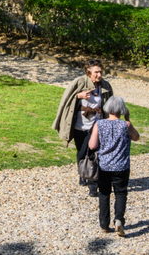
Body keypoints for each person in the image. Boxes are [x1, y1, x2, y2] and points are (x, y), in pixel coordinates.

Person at [53, 59, 114, 192]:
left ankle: (92, 183)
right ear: (88, 72)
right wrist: (78, 96)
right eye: (96, 72)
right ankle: (83, 173)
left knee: (92, 151)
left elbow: (110, 105)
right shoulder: (79, 82)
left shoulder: (105, 86)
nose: (99, 74)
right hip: (80, 125)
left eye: (101, 71)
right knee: (81, 152)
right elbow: (66, 100)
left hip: (96, 125)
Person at [88, 96, 140, 237]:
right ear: (122, 110)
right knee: (121, 193)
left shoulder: (99, 124)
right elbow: (136, 137)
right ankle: (119, 221)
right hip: (121, 166)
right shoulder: (125, 125)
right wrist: (128, 119)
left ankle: (104, 225)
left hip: (104, 166)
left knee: (104, 193)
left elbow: (92, 145)